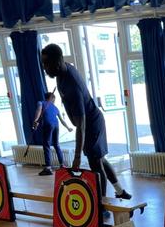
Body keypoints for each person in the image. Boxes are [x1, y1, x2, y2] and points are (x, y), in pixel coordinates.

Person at [40, 44, 131, 200]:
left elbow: (81, 126)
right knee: (100, 159)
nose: (45, 68)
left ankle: (101, 205)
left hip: (91, 125)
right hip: (90, 122)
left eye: (47, 64)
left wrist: (77, 157)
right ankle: (120, 191)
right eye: (43, 63)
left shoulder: (72, 86)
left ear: (58, 61)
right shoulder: (62, 71)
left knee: (95, 165)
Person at [32, 92, 72, 176]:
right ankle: (62, 165)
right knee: (56, 144)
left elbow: (38, 111)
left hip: (48, 124)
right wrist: (68, 128)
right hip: (56, 125)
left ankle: (48, 168)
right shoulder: (55, 107)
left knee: (46, 146)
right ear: (52, 98)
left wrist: (35, 121)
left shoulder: (41, 103)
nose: (54, 101)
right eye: (54, 99)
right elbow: (62, 120)